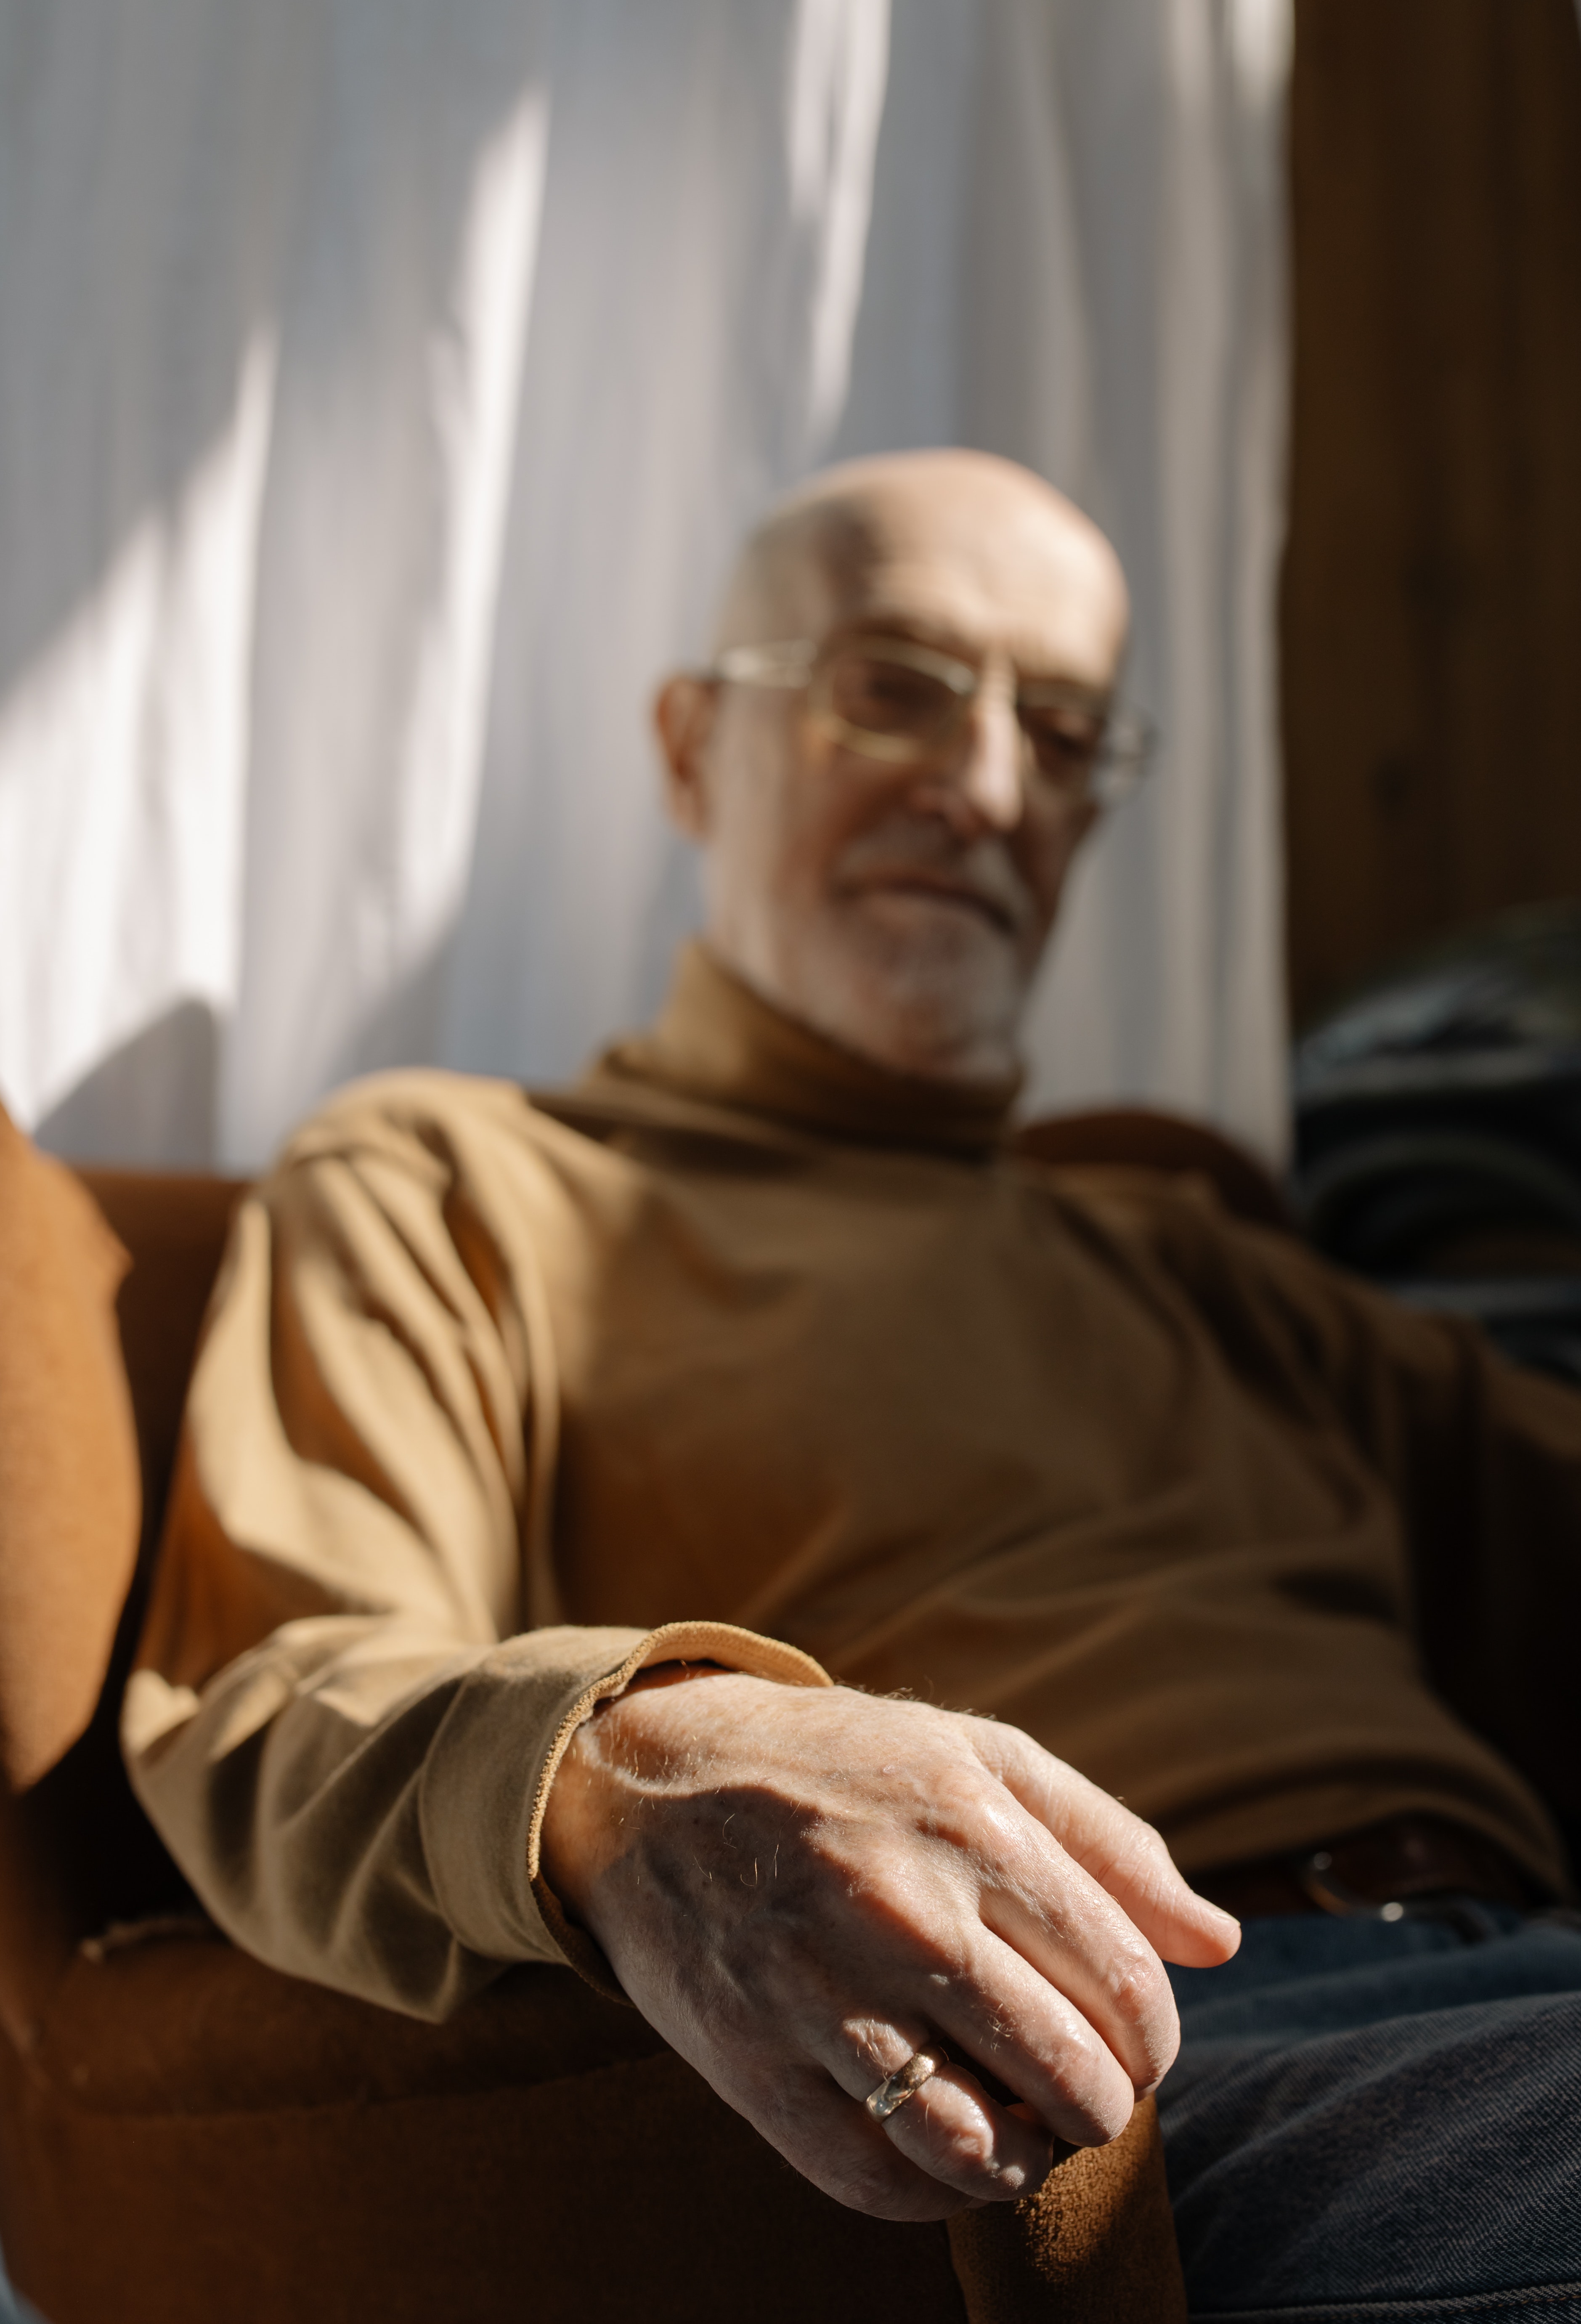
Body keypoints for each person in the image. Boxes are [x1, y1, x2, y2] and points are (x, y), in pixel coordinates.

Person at [124, 450, 1581, 2311]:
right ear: (685, 746)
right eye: (891, 686)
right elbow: (273, 1698)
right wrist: (623, 1769)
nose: (984, 789)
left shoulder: (1198, 1263)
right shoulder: (456, 1178)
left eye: (1059, 734)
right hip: (1107, 2067)